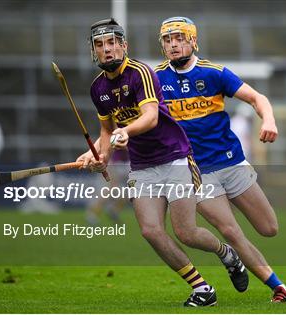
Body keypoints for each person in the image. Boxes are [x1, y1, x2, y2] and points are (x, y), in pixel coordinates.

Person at [78, 18, 248, 307]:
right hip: (142, 165)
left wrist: (125, 131)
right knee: (150, 230)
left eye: (111, 43)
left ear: (123, 46)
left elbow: (150, 117)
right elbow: (106, 132)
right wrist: (97, 155)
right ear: (93, 51)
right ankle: (202, 288)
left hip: (174, 157)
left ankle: (227, 254)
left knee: (187, 232)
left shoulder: (140, 73)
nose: (106, 50)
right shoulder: (98, 89)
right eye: (99, 45)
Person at [154, 16, 286, 302]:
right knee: (231, 231)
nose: (173, 45)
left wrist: (268, 120)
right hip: (195, 171)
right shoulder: (155, 79)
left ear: (193, 41)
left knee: (269, 228)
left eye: (179, 38)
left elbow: (258, 98)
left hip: (231, 162)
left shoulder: (214, 73)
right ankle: (278, 288)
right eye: (167, 40)